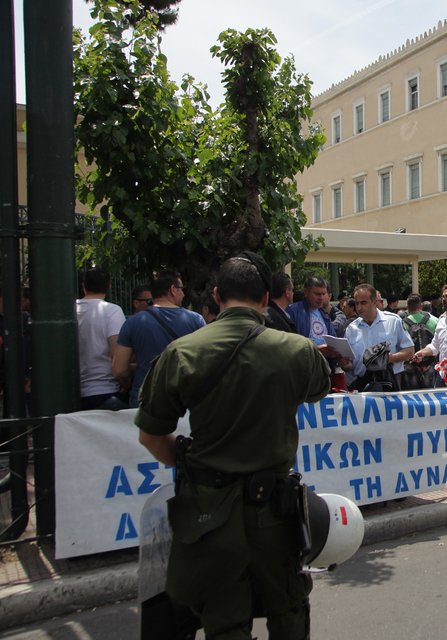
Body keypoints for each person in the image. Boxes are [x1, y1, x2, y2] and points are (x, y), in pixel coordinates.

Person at [136, 253, 330, 639]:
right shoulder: (297, 350)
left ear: (217, 295)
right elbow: (319, 389)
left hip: (208, 515)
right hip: (277, 514)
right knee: (288, 612)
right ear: (264, 300)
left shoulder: (182, 352)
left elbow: (151, 435)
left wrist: (188, 461)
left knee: (223, 621)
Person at [113, 270, 205, 407]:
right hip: (183, 399)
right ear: (173, 290)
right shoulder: (196, 320)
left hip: (145, 399)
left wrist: (128, 382)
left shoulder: (133, 323)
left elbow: (118, 370)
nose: (183, 293)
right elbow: (205, 362)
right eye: (181, 289)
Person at [344, 284, 414, 391]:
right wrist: (344, 363)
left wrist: (388, 359)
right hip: (362, 385)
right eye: (356, 303)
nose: (359, 307)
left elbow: (409, 351)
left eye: (363, 302)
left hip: (390, 383)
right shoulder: (351, 329)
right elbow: (350, 365)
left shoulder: (393, 321)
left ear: (374, 301)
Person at [76, 268, 127, 410]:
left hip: (71, 389)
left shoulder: (69, 309)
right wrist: (125, 382)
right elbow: (116, 353)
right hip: (104, 390)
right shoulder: (112, 311)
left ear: (83, 286)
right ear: (109, 286)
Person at [287, 276, 346, 389]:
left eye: (323, 294)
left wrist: (339, 354)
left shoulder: (324, 315)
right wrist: (317, 349)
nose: (321, 298)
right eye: (317, 294)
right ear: (306, 292)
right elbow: (290, 343)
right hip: (303, 374)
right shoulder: (293, 311)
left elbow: (333, 339)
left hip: (323, 373)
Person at [402, 294, 438, 390]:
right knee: (429, 396)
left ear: (407, 307)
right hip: (429, 363)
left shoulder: (402, 323)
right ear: (421, 306)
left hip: (410, 364)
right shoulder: (433, 321)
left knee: (412, 397)